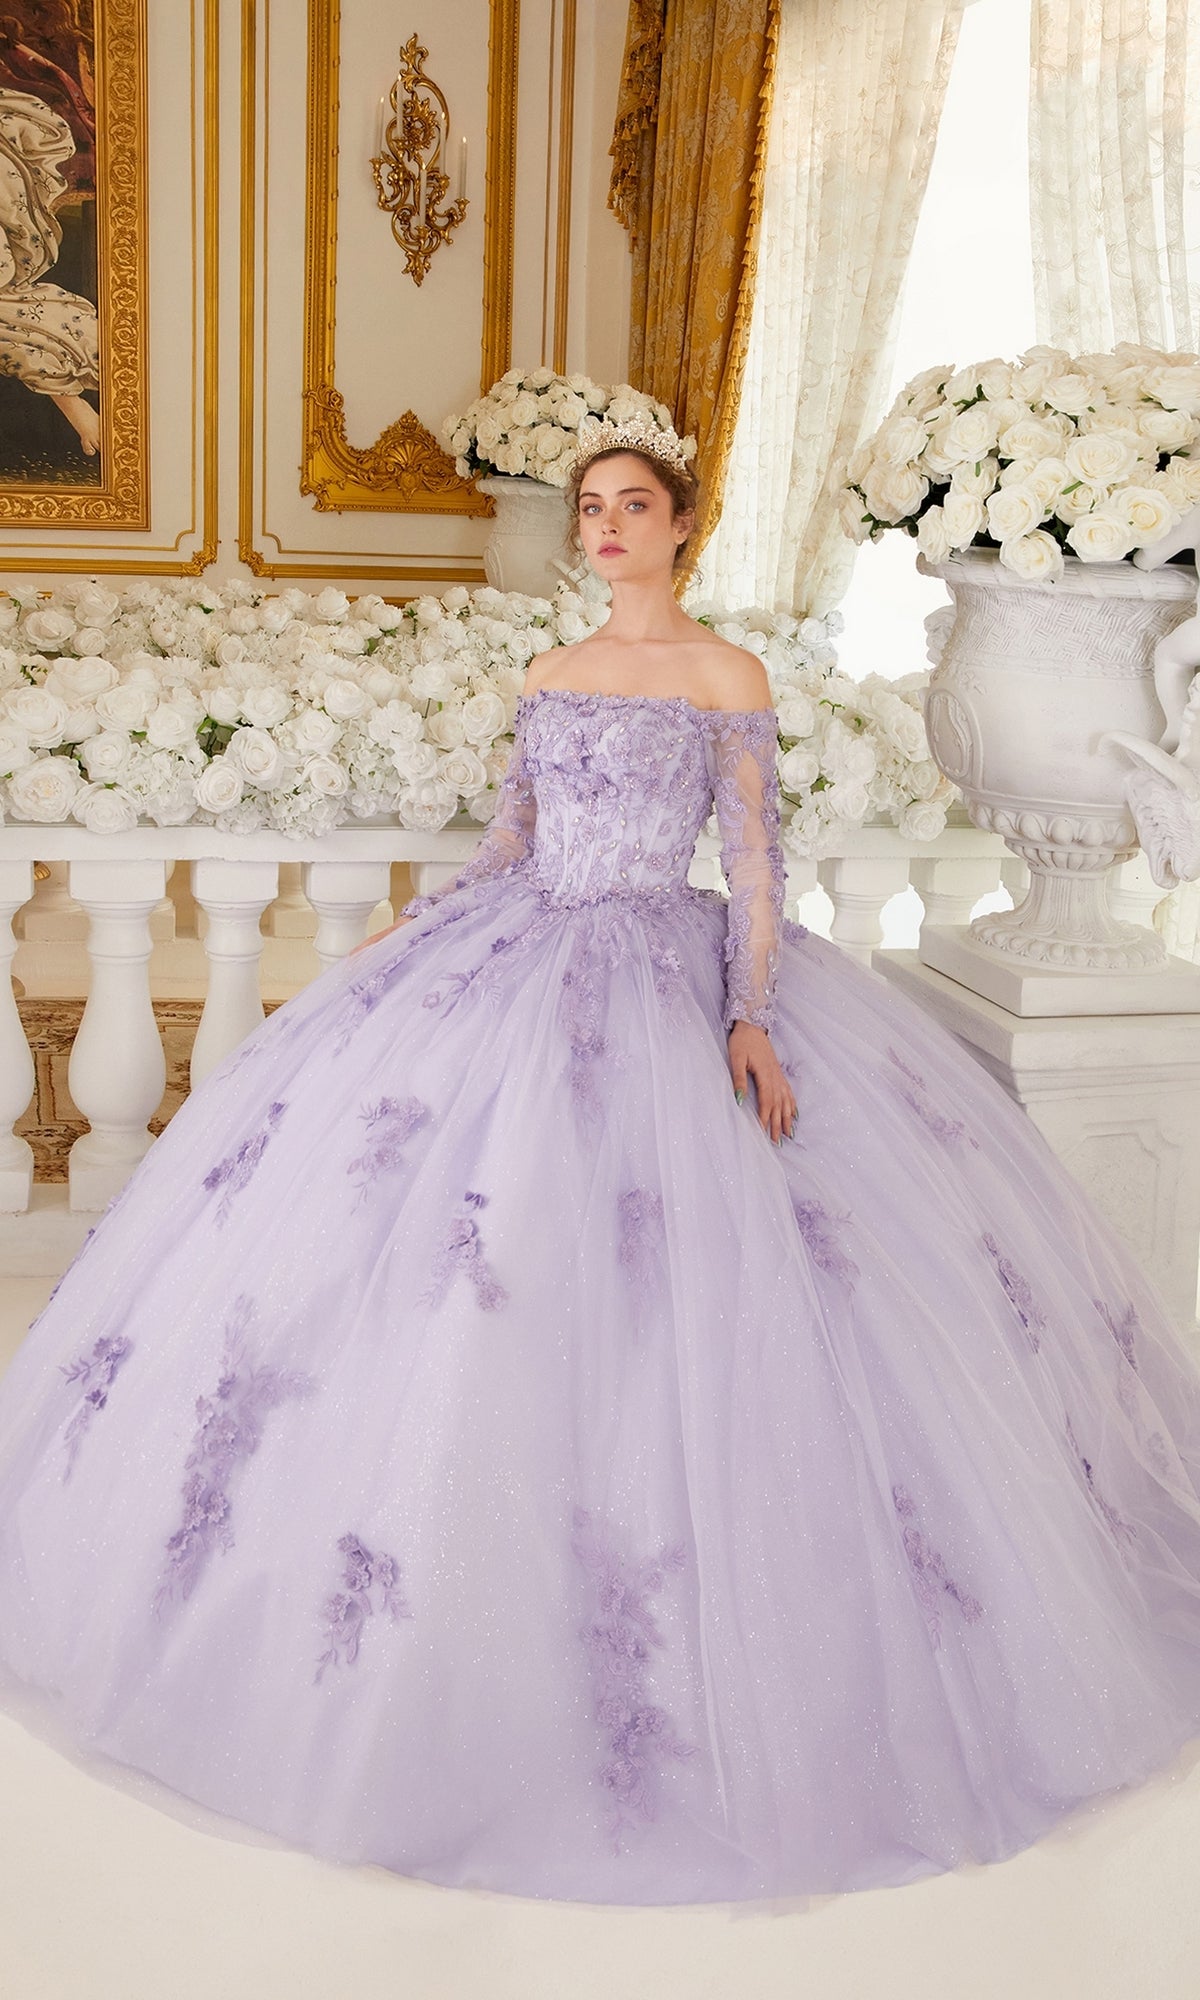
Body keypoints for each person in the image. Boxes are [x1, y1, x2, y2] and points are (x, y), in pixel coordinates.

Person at [2, 414, 1200, 1908]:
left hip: (663, 967)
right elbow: (512, 842)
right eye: (590, 508)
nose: (608, 527)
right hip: (523, 951)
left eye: (632, 505)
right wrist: (407, 940)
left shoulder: (726, 676)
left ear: (681, 526)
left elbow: (752, 860)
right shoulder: (552, 671)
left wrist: (751, 1015)